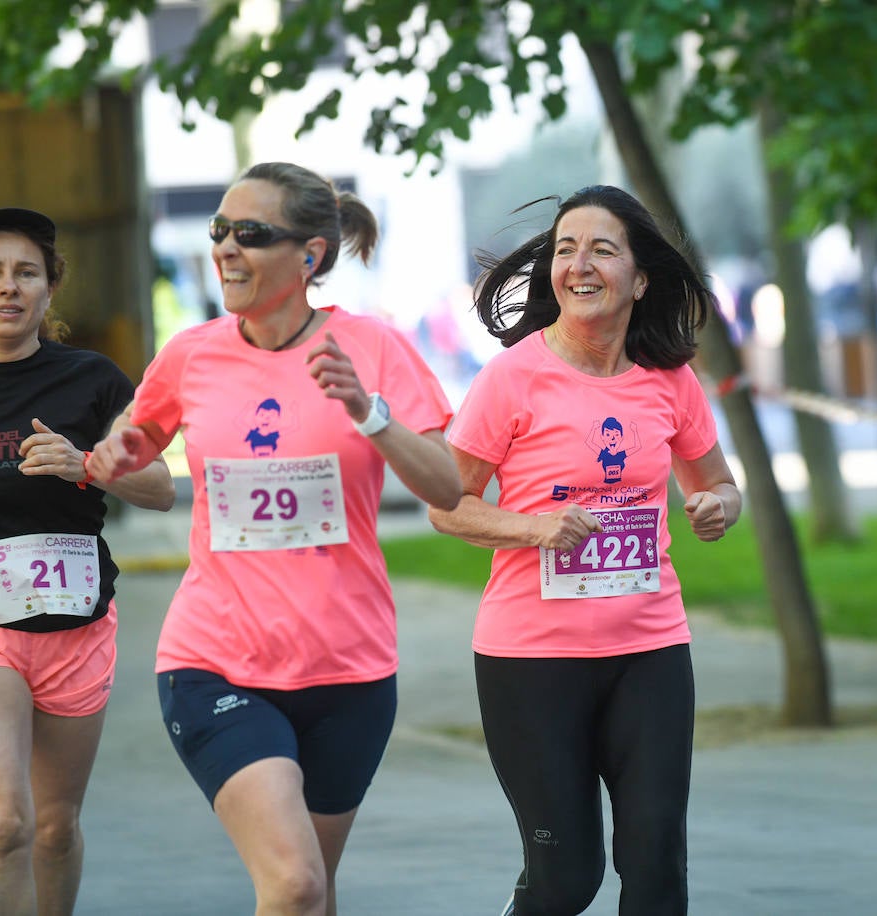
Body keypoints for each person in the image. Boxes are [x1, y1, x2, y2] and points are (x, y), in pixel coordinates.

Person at [86, 162, 462, 915]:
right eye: (221, 231)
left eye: (250, 235)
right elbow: (132, 452)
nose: (225, 247)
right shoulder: (193, 354)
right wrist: (114, 460)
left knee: (311, 894)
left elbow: (449, 488)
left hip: (350, 671)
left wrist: (369, 410)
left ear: (311, 256)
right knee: (292, 882)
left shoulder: (375, 348)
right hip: (217, 662)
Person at [429, 185, 743, 916]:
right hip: (532, 661)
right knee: (567, 879)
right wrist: (533, 527)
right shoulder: (512, 377)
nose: (579, 263)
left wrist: (714, 507)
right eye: (566, 249)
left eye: (602, 249)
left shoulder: (670, 380)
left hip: (650, 649)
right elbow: (448, 506)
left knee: (658, 866)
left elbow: (722, 485)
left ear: (639, 278)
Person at [0, 207, 175, 915]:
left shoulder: (92, 380)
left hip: (77, 625)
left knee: (55, 828)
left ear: (49, 290)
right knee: (4, 826)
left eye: (26, 272)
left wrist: (85, 464)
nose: (8, 287)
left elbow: (160, 490)